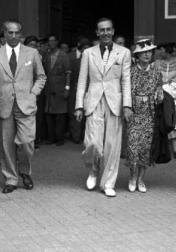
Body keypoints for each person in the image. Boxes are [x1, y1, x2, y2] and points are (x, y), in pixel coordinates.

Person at [74, 17, 133, 197]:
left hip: (115, 102)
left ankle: (108, 183)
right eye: (102, 30)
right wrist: (78, 106)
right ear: (97, 32)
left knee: (112, 146)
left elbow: (126, 81)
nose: (105, 33)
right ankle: (93, 170)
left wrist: (127, 105)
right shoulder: (88, 53)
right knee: (92, 143)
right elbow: (82, 80)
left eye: (108, 29)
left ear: (113, 31)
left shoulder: (123, 52)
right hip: (93, 101)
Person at [0, 20, 46, 193]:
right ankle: (11, 179)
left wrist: (33, 94)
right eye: (10, 33)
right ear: (4, 34)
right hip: (3, 104)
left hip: (25, 105)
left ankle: (25, 171)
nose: (13, 36)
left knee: (27, 143)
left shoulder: (32, 53)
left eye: (16, 33)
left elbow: (41, 77)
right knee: (6, 146)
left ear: (21, 34)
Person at [126, 39, 163, 193]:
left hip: (149, 114)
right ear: (138, 54)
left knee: (145, 148)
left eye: (149, 52)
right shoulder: (130, 71)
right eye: (144, 52)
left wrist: (159, 95)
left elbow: (159, 90)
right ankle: (132, 177)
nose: (147, 54)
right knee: (133, 147)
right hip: (134, 114)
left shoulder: (156, 72)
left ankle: (141, 179)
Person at [43, 34, 71, 146]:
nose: (51, 43)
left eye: (53, 41)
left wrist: (67, 89)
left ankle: (59, 138)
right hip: (49, 89)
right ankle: (51, 138)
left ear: (57, 42)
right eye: (49, 41)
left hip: (60, 89)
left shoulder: (63, 55)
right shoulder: (46, 55)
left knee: (60, 115)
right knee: (49, 115)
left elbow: (68, 73)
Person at [68, 37, 91, 144]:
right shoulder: (70, 57)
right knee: (75, 112)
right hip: (75, 89)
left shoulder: (92, 58)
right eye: (85, 48)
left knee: (87, 112)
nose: (86, 50)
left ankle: (83, 134)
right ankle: (76, 135)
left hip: (89, 89)